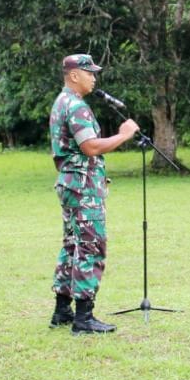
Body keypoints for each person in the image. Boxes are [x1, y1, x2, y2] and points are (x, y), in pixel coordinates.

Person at [47, 54, 139, 334]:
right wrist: (124, 135)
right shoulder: (75, 105)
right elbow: (90, 147)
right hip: (83, 185)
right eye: (89, 72)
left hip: (71, 182)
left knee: (73, 245)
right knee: (90, 245)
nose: (94, 77)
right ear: (74, 75)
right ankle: (83, 317)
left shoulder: (62, 102)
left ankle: (62, 310)